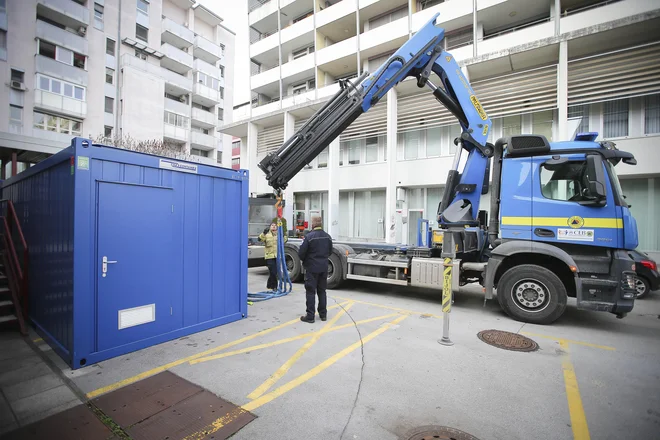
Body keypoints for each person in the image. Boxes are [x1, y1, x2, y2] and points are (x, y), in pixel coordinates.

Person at [298, 216, 333, 323]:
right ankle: (323, 315)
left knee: (310, 292)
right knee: (322, 291)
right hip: (323, 268)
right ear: (321, 224)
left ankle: (310, 316)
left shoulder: (309, 237)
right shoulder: (328, 237)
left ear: (313, 224)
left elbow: (301, 254)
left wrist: (306, 260)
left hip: (312, 268)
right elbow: (330, 251)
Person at [259, 221, 288, 291]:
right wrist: (263, 233)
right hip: (269, 256)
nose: (274, 226)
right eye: (272, 225)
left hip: (277, 256)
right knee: (273, 271)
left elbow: (285, 240)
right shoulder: (267, 234)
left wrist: (284, 234)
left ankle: (269, 285)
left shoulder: (279, 234)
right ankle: (274, 286)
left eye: (275, 225)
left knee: (275, 272)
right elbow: (259, 239)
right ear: (270, 227)